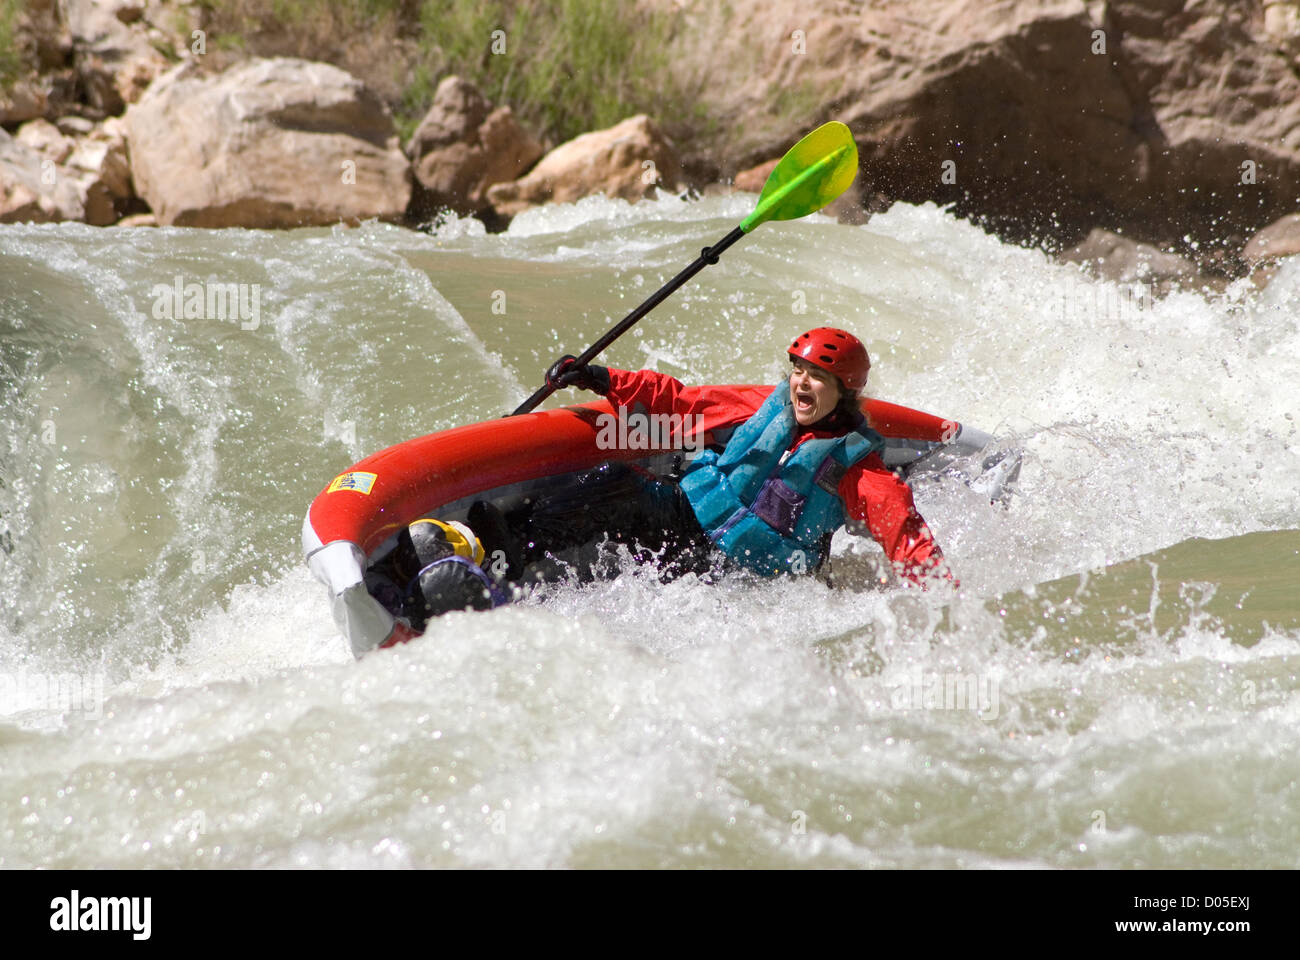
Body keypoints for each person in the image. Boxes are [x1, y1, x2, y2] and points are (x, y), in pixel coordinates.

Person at [528, 326, 953, 586]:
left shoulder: (859, 469)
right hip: (694, 516)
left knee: (620, 497)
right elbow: (681, 403)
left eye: (819, 377)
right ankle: (495, 549)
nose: (802, 383)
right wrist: (599, 378)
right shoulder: (764, 405)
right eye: (798, 370)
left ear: (845, 390)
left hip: (744, 568)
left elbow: (906, 536)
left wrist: (943, 607)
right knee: (614, 483)